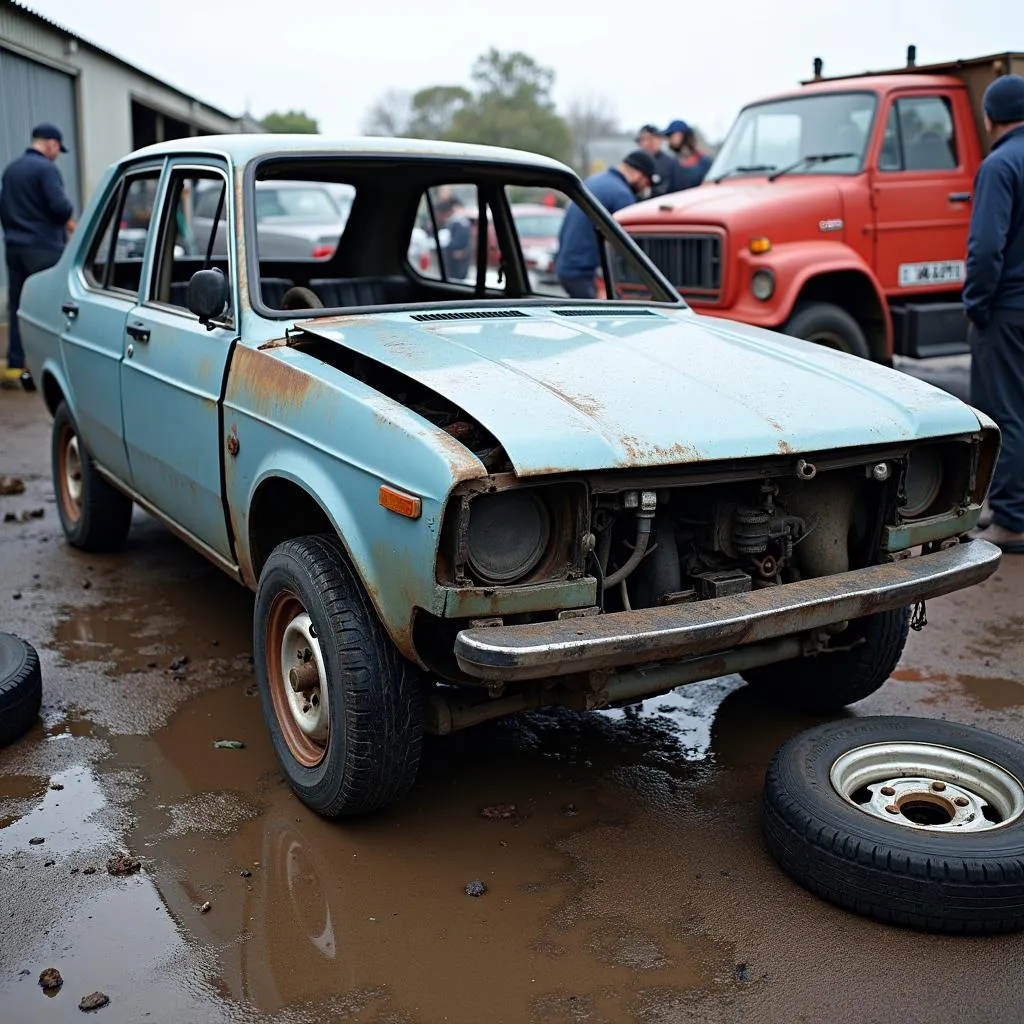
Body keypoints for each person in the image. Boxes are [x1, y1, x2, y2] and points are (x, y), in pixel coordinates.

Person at [964, 74, 1024, 554]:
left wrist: (976, 303)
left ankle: (1012, 519)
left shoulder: (1000, 165)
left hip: (1006, 310)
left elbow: (986, 248)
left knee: (1004, 414)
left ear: (989, 118)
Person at [0, 123, 75, 388]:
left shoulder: (11, 170)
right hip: (43, 249)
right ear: (51, 144)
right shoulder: (46, 169)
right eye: (58, 149)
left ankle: (15, 366)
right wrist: (66, 217)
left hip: (14, 248)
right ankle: (46, 364)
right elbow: (60, 207)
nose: (57, 154)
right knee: (47, 308)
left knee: (19, 306)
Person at [554, 150, 656, 299]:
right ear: (638, 175)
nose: (645, 188)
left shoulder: (594, 181)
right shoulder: (622, 195)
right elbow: (626, 247)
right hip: (584, 273)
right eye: (646, 182)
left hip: (566, 268)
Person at [662, 119, 712, 189]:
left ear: (681, 135)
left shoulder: (703, 161)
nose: (669, 140)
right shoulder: (672, 163)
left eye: (671, 135)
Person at [636, 124, 679, 196]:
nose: (648, 143)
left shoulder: (670, 163)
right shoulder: (634, 162)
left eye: (651, 139)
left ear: (660, 140)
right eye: (643, 139)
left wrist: (649, 192)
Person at [438, 197, 471, 281]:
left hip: (459, 254)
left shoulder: (461, 223)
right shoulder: (452, 222)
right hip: (452, 255)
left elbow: (462, 240)